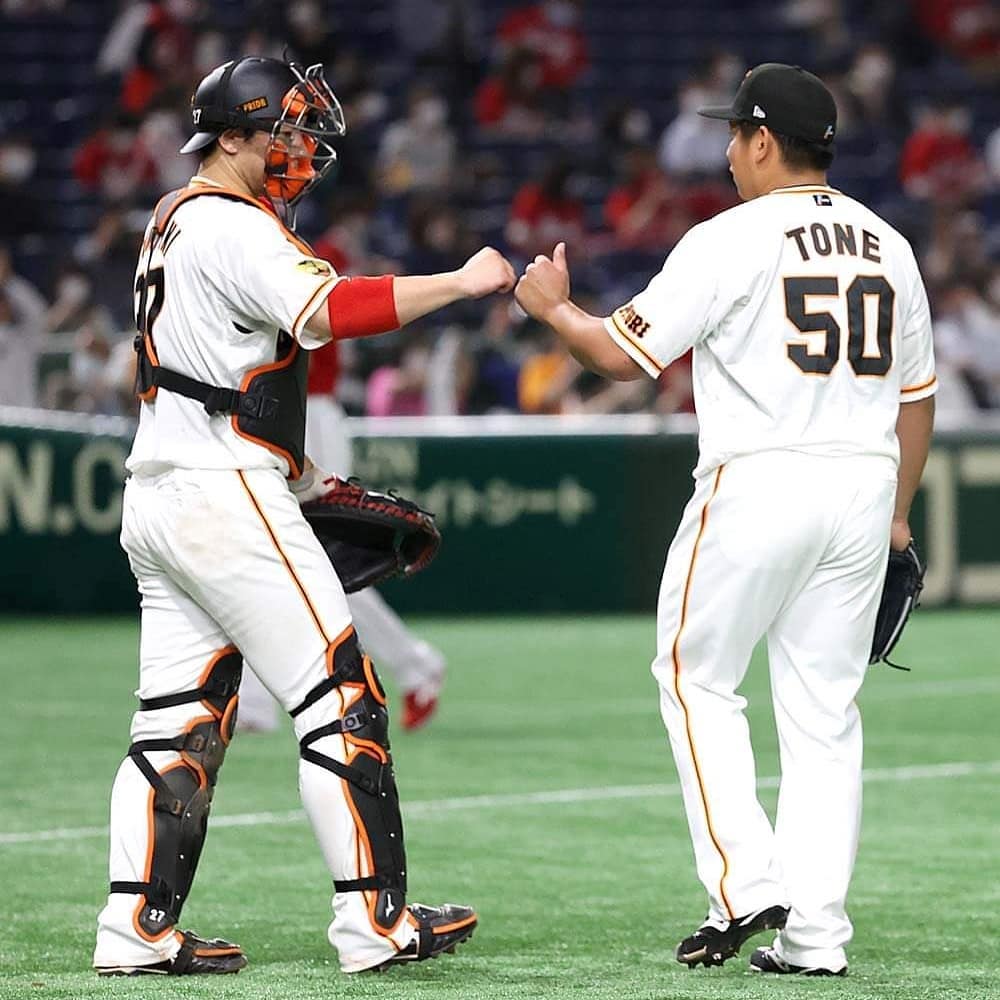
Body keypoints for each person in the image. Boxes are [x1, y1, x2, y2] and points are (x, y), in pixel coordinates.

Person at [93, 54, 515, 977]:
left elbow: (212, 373)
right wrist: (459, 281)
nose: (301, 148)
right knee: (341, 696)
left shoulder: (170, 218)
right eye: (283, 131)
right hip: (224, 492)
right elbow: (327, 311)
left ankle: (134, 929)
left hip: (162, 490)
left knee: (175, 719)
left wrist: (305, 474)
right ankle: (374, 922)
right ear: (235, 136)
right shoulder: (235, 222)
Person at [514, 63, 935, 977]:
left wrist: (554, 309)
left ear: (764, 141)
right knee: (824, 717)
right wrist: (899, 515)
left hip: (762, 476)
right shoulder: (890, 244)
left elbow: (620, 357)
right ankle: (815, 939)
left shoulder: (730, 237)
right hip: (864, 487)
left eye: (736, 135)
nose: (729, 153)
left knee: (695, 674)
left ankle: (745, 886)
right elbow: (917, 397)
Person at [238, 335, 448, 735]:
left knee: (318, 563)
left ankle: (415, 664)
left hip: (304, 409)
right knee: (261, 550)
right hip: (274, 408)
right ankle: (253, 701)